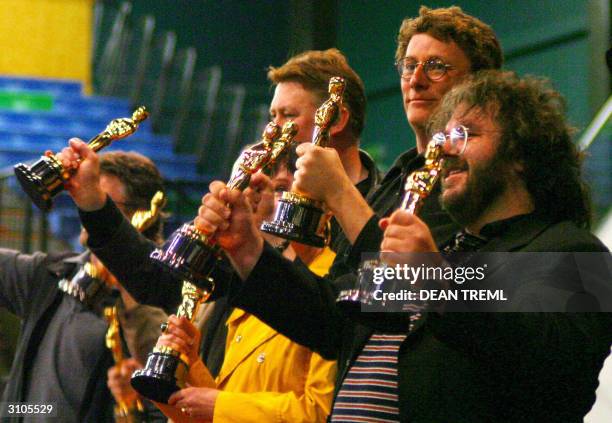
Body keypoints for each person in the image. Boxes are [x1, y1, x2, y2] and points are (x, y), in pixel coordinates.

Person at [205, 70, 612, 421]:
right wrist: (248, 251)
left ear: (521, 152)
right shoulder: (449, 251)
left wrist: (432, 279)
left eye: (466, 133)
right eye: (445, 134)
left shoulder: (577, 251)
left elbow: (554, 368)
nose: (446, 148)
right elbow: (332, 319)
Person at [132, 148, 336, 422]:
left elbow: (321, 413)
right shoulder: (256, 285)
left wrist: (220, 405)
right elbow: (230, 400)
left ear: (327, 209)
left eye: (282, 190)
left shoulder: (334, 286)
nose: (264, 203)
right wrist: (192, 366)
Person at [0, 151, 168, 422]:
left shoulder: (159, 309)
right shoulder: (49, 275)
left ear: (142, 216)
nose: (87, 210)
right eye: (86, 199)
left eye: (101, 202)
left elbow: (165, 410)